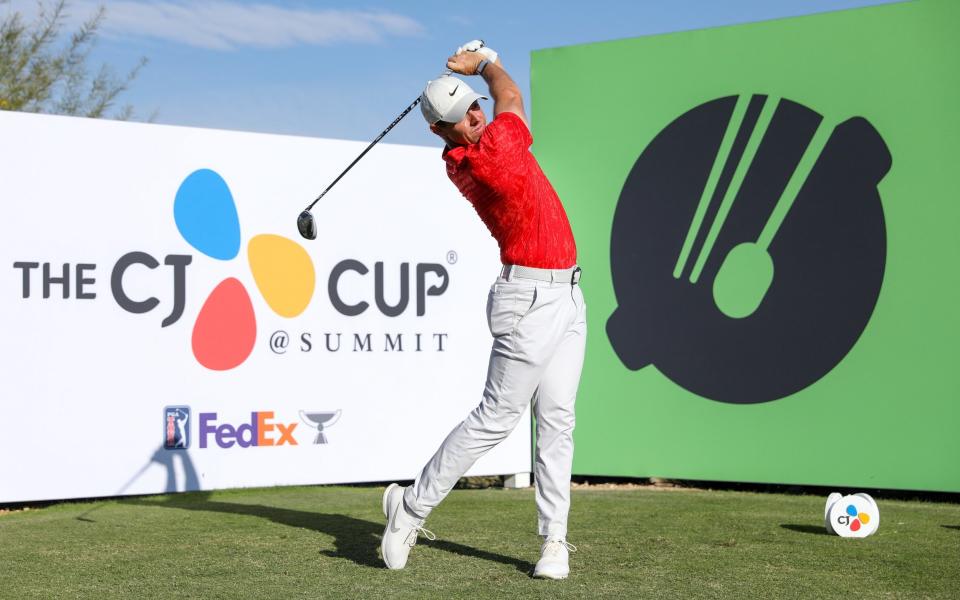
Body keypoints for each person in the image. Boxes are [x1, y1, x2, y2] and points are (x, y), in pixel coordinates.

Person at [380, 41, 587, 580]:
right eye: (461, 117)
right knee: (495, 419)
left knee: (558, 420)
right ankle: (412, 507)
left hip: (566, 293)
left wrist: (473, 77)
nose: (474, 116)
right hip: (528, 300)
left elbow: (498, 103)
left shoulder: (470, 147)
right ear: (440, 132)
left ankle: (554, 542)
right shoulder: (491, 154)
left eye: (473, 105)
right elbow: (510, 94)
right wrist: (486, 61)